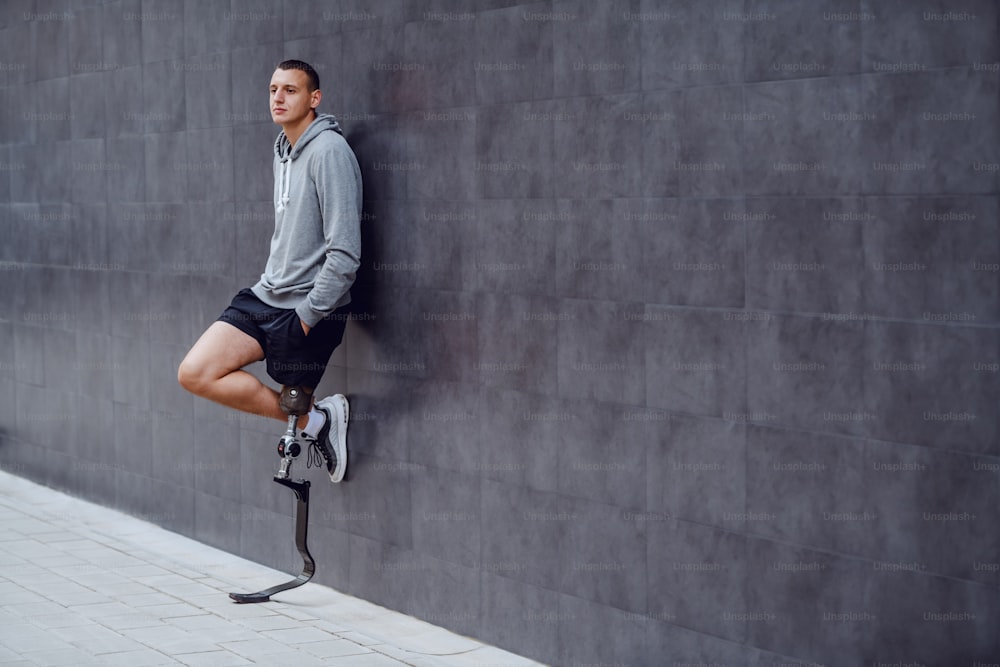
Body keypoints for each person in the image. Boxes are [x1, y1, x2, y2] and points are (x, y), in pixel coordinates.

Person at [178, 60, 362, 483]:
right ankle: (316, 423)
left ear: (314, 99)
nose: (277, 98)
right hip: (265, 295)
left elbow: (346, 254)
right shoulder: (283, 149)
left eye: (290, 90)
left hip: (307, 308)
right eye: (273, 89)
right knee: (195, 372)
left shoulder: (330, 153)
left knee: (293, 398)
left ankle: (312, 418)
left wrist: (307, 316)